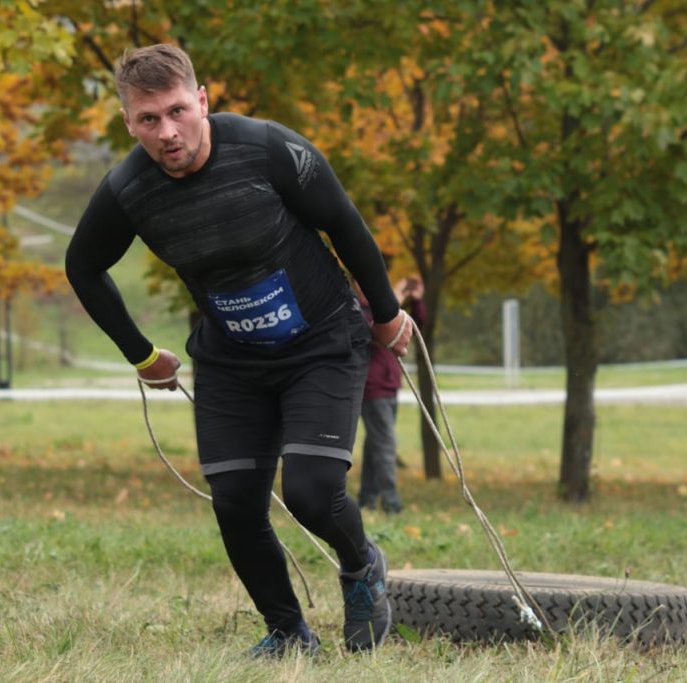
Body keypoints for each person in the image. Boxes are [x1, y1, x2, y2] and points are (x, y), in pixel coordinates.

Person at [64, 44, 413, 657]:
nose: (168, 133)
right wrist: (142, 356)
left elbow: (346, 224)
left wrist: (384, 315)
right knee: (235, 503)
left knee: (309, 491)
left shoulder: (271, 148)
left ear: (202, 100)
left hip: (322, 342)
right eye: (148, 120)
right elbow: (83, 267)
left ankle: (362, 569)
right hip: (231, 361)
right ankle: (287, 632)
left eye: (177, 111)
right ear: (129, 123)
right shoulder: (128, 190)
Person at [357, 276, 425, 514]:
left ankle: (367, 497)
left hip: (389, 385)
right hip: (372, 387)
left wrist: (415, 302)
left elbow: (415, 328)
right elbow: (378, 333)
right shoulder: (355, 309)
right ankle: (391, 501)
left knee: (375, 443)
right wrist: (394, 298)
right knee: (385, 444)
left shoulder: (384, 307)